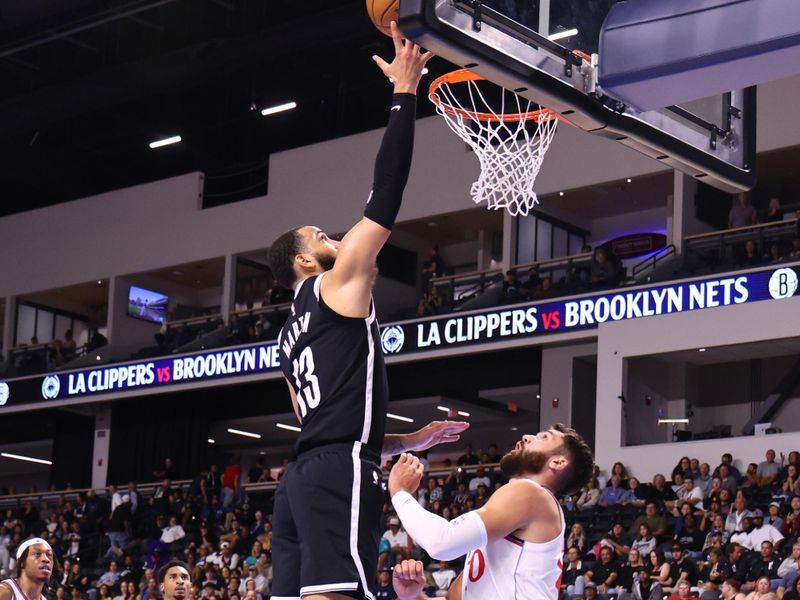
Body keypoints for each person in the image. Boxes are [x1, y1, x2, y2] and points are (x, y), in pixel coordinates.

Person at [266, 24, 466, 600]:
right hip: (337, 470)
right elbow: (386, 194)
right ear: (305, 258)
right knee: (340, 593)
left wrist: (407, 441)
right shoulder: (335, 282)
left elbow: (324, 420)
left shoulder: (287, 336)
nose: (334, 237)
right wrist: (404, 93)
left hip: (300, 479)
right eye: (322, 235)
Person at [388, 425, 594, 599]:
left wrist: (400, 492)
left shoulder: (532, 494)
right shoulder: (503, 532)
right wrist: (414, 595)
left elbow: (442, 542)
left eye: (542, 438)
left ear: (557, 462)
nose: (526, 437)